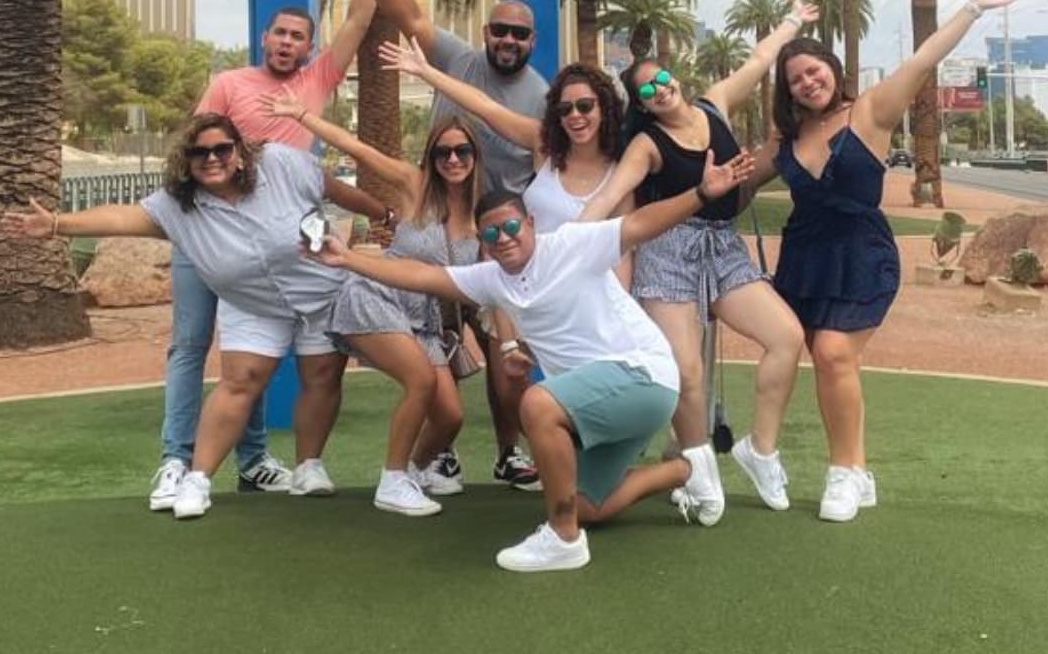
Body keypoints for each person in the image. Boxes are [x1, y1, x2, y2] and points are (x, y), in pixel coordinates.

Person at [309, 147, 755, 571]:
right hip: (608, 401)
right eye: (490, 234)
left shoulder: (571, 244)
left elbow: (640, 224)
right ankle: (686, 469)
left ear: (530, 223)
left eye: (511, 227)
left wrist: (701, 193)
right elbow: (421, 275)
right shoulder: (492, 278)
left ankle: (564, 540)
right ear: (482, 241)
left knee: (538, 404)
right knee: (587, 505)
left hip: (643, 376)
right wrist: (348, 259)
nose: (503, 239)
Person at [151, 0, 394, 513]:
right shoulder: (229, 84)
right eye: (279, 33)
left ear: (309, 47)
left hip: (289, 236)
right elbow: (193, 148)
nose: (287, 42)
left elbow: (359, 20)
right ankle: (175, 462)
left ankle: (254, 460)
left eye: (298, 37)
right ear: (264, 37)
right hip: (213, 231)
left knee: (256, 349)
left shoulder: (314, 82)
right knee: (191, 345)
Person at [757, 0, 1020, 523]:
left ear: (833, 68)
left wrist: (973, 8)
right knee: (828, 361)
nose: (808, 82)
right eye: (796, 79)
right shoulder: (787, 139)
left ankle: (843, 472)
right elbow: (734, 181)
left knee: (834, 353)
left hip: (861, 254)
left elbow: (923, 59)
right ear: (787, 91)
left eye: (814, 71)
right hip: (804, 259)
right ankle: (858, 470)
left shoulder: (871, 110)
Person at [3, 114, 351, 521]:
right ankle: (196, 478)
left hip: (316, 291)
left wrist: (385, 215)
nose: (212, 158)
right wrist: (57, 224)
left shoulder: (276, 171)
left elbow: (332, 188)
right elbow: (120, 217)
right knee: (240, 381)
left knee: (323, 373)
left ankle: (309, 466)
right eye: (199, 152)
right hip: (251, 302)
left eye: (221, 149)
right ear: (185, 161)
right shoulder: (176, 206)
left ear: (239, 153)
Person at [581, 3, 819, 525]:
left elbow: (759, 60)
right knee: (686, 371)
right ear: (642, 106)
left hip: (722, 247)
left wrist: (793, 22)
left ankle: (760, 450)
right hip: (668, 253)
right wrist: (568, 241)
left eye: (661, 78)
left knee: (786, 336)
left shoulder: (715, 106)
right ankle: (697, 468)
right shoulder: (647, 143)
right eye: (646, 90)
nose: (659, 89)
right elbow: (610, 196)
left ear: (675, 77)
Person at [347, 0, 547, 489]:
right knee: (433, 338)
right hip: (437, 226)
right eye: (500, 30)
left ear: (533, 41)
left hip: (494, 240)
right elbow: (405, 12)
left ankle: (509, 452)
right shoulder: (459, 58)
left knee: (503, 350)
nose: (508, 40)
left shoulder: (541, 96)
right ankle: (437, 454)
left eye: (519, 33)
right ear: (486, 32)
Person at [261, 91, 483, 517]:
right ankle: (392, 481)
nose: (453, 159)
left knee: (450, 416)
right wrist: (300, 113)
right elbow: (357, 148)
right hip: (377, 293)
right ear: (431, 157)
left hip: (425, 319)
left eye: (462, 151)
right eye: (442, 152)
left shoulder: (479, 214)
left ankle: (415, 469)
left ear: (475, 156)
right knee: (419, 379)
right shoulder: (416, 186)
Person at [379, 35, 630, 233]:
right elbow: (485, 106)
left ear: (605, 108)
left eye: (585, 106)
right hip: (525, 276)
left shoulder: (621, 174)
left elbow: (623, 250)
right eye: (565, 109)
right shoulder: (544, 144)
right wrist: (427, 72)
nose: (575, 115)